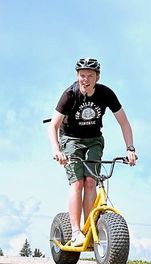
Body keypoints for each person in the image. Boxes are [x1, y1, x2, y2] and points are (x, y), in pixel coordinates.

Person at [48, 58, 136, 246]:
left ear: (97, 77)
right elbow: (53, 126)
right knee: (78, 183)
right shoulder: (69, 95)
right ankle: (75, 231)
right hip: (71, 139)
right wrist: (57, 150)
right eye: (82, 76)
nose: (85, 79)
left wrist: (130, 149)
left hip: (94, 140)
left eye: (90, 76)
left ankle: (90, 230)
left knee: (90, 182)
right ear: (77, 76)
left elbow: (124, 123)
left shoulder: (106, 94)